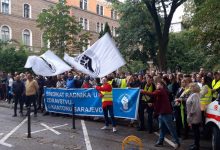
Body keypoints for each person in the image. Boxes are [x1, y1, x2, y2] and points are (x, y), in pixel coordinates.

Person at [141, 81, 180, 149]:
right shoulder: (161, 91)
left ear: (161, 85)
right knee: (162, 128)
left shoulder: (161, 90)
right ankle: (160, 141)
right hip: (162, 113)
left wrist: (143, 91)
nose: (156, 85)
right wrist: (153, 104)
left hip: (166, 113)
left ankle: (177, 142)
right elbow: (158, 101)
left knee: (171, 129)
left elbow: (152, 94)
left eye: (158, 84)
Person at [186, 83, 202, 150]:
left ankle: (196, 145)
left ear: (194, 88)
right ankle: (196, 143)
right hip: (195, 115)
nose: (189, 88)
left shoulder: (195, 95)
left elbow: (195, 106)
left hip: (194, 116)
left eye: (190, 87)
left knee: (196, 131)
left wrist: (190, 114)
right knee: (196, 131)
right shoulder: (195, 94)